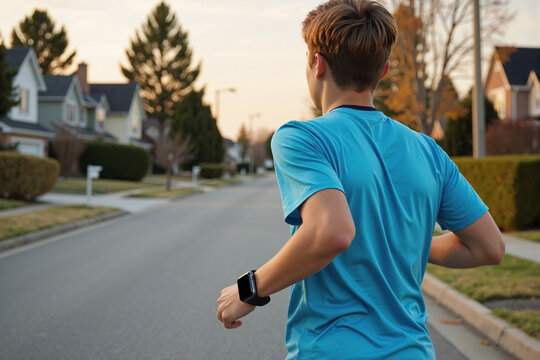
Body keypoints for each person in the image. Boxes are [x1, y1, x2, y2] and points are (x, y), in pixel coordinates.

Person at [216, 0, 505, 358]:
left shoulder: (302, 138)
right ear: (383, 71)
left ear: (316, 63)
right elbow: (489, 247)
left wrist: (249, 289)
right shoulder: (428, 151)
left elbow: (331, 232)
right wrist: (399, 240)